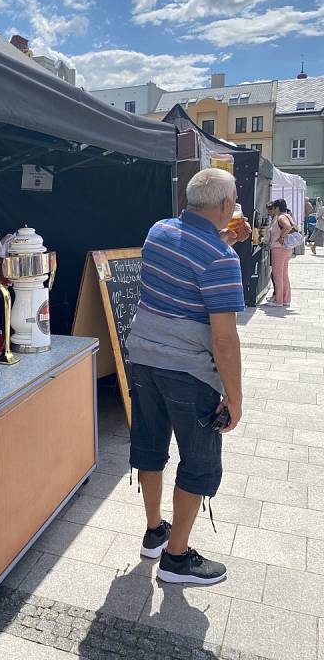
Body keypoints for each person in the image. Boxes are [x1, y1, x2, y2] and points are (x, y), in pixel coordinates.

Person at [126, 168, 250, 585]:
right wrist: (235, 397)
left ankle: (153, 532)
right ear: (226, 206)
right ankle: (176, 560)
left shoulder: (158, 231)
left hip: (143, 357)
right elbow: (225, 340)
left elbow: (185, 261)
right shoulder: (220, 259)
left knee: (149, 446)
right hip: (188, 372)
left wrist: (222, 239)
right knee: (197, 462)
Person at [266, 199, 294, 305]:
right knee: (284, 275)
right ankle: (286, 299)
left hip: (278, 249)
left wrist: (281, 237)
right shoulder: (288, 215)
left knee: (277, 275)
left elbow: (287, 227)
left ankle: (278, 300)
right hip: (286, 249)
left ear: (277, 208)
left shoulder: (281, 217)